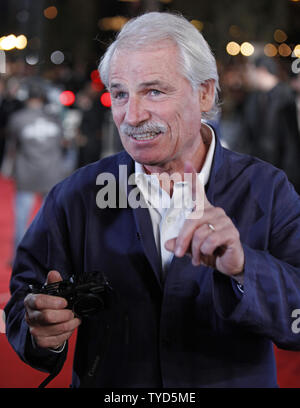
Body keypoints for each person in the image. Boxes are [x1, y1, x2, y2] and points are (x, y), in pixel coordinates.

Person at [4, 12, 300, 388]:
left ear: (205, 93)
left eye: (154, 91)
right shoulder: (78, 194)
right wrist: (39, 330)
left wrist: (245, 268)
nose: (132, 115)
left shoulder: (267, 190)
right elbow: (23, 300)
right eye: (120, 93)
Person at [2, 84, 66, 257]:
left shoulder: (18, 118)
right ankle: (51, 256)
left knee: (23, 219)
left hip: (27, 173)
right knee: (52, 218)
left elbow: (12, 146)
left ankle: (19, 256)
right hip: (51, 172)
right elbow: (63, 143)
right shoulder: (54, 118)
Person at [241, 56, 300, 193]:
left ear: (261, 71)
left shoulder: (287, 97)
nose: (248, 75)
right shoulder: (253, 98)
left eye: (251, 70)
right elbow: (246, 135)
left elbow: (291, 142)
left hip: (283, 172)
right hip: (258, 169)